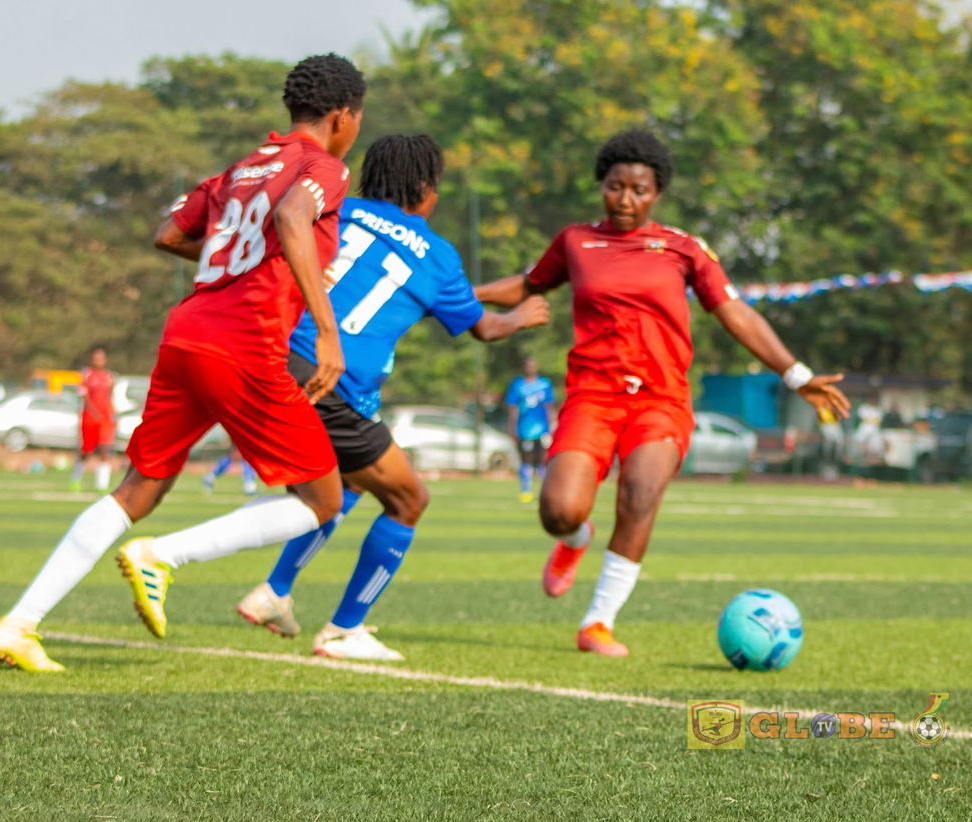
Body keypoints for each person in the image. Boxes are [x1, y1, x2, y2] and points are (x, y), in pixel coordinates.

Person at [0, 54, 367, 672]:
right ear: (342, 117)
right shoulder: (325, 165)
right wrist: (327, 331)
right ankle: (164, 557)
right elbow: (295, 215)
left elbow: (167, 232)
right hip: (247, 342)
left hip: (187, 335)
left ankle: (19, 625)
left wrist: (233, 259)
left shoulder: (241, 168)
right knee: (323, 500)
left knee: (139, 487)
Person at [474, 130, 850, 657]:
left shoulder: (683, 248)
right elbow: (529, 284)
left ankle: (598, 623)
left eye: (639, 190)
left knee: (641, 495)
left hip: (660, 401)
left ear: (657, 194)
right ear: (601, 186)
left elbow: (734, 311)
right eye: (615, 187)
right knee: (558, 511)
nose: (626, 200)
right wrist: (460, 297)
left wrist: (794, 372)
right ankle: (575, 542)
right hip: (593, 397)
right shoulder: (576, 242)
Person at [208, 134, 546, 660]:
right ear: (425, 189)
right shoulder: (436, 255)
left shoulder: (337, 210)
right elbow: (485, 327)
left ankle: (274, 592)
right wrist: (522, 318)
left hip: (272, 357)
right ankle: (344, 629)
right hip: (333, 384)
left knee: (345, 487)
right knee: (409, 499)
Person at [506, 357, 556, 503]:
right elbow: (513, 409)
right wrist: (513, 428)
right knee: (526, 460)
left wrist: (552, 426)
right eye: (528, 365)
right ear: (525, 367)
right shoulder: (518, 385)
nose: (530, 367)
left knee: (543, 459)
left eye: (533, 365)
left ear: (537, 366)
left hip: (543, 429)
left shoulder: (545, 384)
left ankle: (544, 491)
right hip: (525, 429)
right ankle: (526, 490)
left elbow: (549, 407)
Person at [70, 345, 116, 493]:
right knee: (87, 451)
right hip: (90, 419)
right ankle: (76, 479)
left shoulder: (110, 377)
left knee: (105, 450)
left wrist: (111, 412)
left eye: (101, 358)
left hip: (106, 420)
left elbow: (110, 397)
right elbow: (84, 395)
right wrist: (93, 412)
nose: (99, 361)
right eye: (96, 358)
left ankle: (102, 485)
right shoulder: (87, 375)